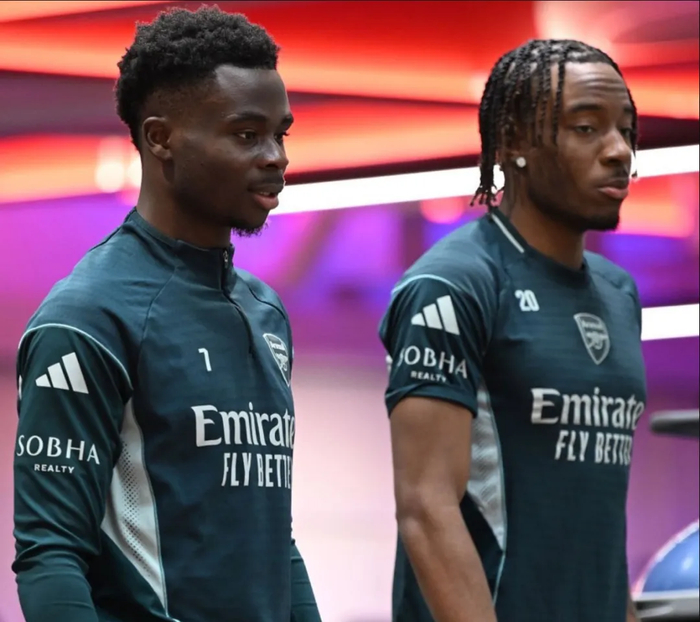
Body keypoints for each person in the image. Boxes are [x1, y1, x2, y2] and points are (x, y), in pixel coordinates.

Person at [12, 6, 320, 622]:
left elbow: (271, 539)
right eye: (246, 134)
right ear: (160, 139)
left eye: (280, 135)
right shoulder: (87, 319)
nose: (275, 157)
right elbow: (50, 553)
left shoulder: (264, 312)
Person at [379, 39, 645, 622]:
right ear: (514, 141)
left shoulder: (620, 294)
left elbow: (598, 529)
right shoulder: (452, 285)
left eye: (625, 130)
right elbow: (425, 507)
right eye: (586, 128)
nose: (619, 151)